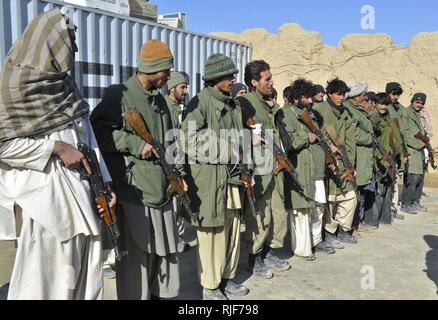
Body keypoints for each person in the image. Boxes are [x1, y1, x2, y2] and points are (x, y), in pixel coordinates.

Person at [0, 9, 115, 299]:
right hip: (45, 202)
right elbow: (3, 145)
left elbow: (86, 135)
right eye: (69, 40)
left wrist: (106, 182)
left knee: (83, 277)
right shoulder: (12, 87)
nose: (75, 48)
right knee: (44, 281)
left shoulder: (66, 85)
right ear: (51, 43)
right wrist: (56, 148)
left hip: (83, 192)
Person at [90, 39, 181, 300]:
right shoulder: (119, 94)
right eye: (166, 70)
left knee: (161, 257)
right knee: (136, 265)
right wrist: (134, 142)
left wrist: (177, 176)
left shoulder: (161, 101)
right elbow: (98, 131)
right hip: (134, 194)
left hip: (161, 191)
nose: (168, 76)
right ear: (153, 68)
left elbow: (169, 141)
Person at [180, 53, 249, 300]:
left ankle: (227, 279)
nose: (233, 79)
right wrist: (224, 149)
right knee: (211, 234)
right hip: (210, 179)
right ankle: (210, 286)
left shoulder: (232, 103)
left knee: (231, 232)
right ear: (216, 77)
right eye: (229, 75)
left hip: (232, 179)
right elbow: (187, 140)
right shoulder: (199, 103)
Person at [237, 60, 291, 280]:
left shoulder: (270, 105)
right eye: (267, 79)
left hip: (274, 169)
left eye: (271, 77)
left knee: (277, 216)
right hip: (258, 170)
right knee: (257, 218)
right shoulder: (244, 103)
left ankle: (269, 252)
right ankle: (254, 259)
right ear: (253, 81)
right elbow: (236, 136)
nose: (271, 82)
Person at [280, 79, 324, 261]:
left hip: (312, 168)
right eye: (306, 97)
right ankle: (302, 250)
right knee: (299, 212)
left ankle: (314, 243)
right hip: (297, 168)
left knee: (315, 208)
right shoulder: (285, 114)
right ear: (297, 97)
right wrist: (306, 137)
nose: (310, 100)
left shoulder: (309, 114)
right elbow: (287, 141)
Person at [313, 78, 358, 246]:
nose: (342, 98)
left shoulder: (346, 113)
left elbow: (351, 141)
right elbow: (314, 133)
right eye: (338, 94)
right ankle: (329, 231)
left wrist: (351, 166)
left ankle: (343, 228)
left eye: (344, 94)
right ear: (329, 94)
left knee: (350, 197)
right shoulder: (319, 109)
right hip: (326, 162)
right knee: (329, 199)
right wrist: (327, 147)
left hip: (344, 162)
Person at [366, 93, 403, 227]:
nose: (383, 106)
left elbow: (397, 137)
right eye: (380, 103)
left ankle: (384, 218)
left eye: (385, 104)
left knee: (387, 189)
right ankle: (372, 220)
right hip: (379, 158)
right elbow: (374, 126)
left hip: (390, 157)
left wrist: (399, 154)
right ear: (375, 103)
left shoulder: (388, 118)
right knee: (378, 190)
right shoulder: (373, 116)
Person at [343, 81, 375, 234]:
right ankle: (352, 225)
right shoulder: (349, 110)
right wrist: (370, 139)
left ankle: (358, 222)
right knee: (355, 193)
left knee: (362, 192)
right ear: (355, 96)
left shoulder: (359, 109)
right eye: (363, 95)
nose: (365, 97)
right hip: (356, 156)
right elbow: (353, 134)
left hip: (364, 158)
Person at [165, 71, 191, 253]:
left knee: (180, 205)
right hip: (170, 164)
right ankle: (170, 240)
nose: (186, 91)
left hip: (181, 163)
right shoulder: (165, 108)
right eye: (182, 87)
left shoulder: (182, 108)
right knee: (171, 206)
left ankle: (177, 237)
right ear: (171, 88)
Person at [400, 93, 429, 214]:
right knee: (412, 178)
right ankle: (406, 204)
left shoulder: (417, 114)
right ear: (412, 101)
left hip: (419, 151)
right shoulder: (406, 113)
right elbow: (406, 135)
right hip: (412, 150)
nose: (419, 105)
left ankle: (415, 202)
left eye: (422, 103)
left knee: (420, 178)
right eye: (417, 102)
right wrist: (420, 145)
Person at [385, 82, 408, 216]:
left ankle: (393, 208)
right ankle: (389, 209)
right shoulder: (385, 107)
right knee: (388, 179)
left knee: (395, 178)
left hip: (398, 148)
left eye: (398, 94)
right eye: (393, 94)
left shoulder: (399, 108)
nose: (396, 97)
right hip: (389, 148)